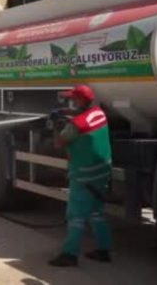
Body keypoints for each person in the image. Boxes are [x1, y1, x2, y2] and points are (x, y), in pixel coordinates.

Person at [48, 84, 113, 267]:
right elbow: (85, 121)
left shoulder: (75, 125)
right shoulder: (99, 113)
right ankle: (103, 250)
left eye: (73, 99)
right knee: (96, 212)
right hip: (102, 172)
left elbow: (59, 143)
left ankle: (69, 255)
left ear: (81, 100)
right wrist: (66, 113)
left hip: (84, 175)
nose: (71, 101)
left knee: (75, 215)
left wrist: (56, 125)